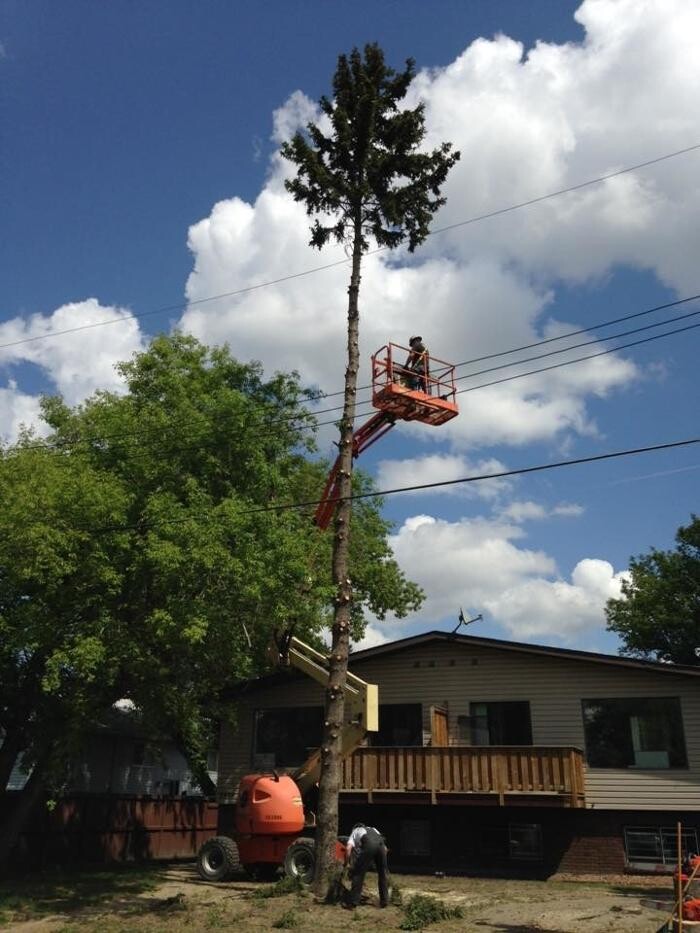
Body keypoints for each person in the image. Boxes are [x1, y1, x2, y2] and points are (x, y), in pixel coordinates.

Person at [344, 822, 389, 909]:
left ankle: (353, 902)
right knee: (382, 874)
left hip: (369, 844)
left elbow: (348, 848)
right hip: (381, 846)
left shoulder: (355, 831)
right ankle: (384, 901)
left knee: (358, 874)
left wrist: (347, 863)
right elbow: (385, 849)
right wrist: (381, 862)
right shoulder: (373, 829)